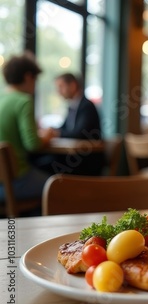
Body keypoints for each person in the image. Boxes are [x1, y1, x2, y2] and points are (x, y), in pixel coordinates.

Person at [0, 52, 52, 213]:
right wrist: (47, 136)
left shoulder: (2, 100)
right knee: (59, 187)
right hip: (16, 181)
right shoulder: (23, 101)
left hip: (2, 182)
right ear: (29, 77)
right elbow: (32, 144)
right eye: (35, 80)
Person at [36, 73, 104, 176]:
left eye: (61, 87)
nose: (58, 91)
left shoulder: (87, 106)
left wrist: (56, 133)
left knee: (42, 164)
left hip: (85, 162)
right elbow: (64, 128)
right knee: (40, 160)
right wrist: (51, 130)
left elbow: (79, 134)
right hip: (74, 158)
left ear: (72, 86)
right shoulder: (73, 106)